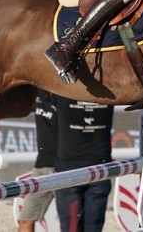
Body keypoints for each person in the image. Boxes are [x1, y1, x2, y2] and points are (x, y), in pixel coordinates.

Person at [54, 95, 114, 232]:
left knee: (72, 228)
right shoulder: (109, 92)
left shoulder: (63, 91)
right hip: (99, 169)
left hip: (70, 169)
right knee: (92, 227)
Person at [17, 90, 58, 232]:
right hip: (42, 168)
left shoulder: (67, 96)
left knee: (72, 222)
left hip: (67, 168)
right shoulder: (36, 92)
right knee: (25, 220)